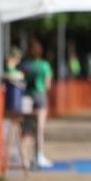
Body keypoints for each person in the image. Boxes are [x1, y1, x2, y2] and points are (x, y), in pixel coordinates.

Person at [21, 37, 54, 168]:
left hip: (27, 97)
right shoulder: (44, 65)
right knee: (39, 128)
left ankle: (23, 157)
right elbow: (47, 84)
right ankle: (39, 156)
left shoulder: (24, 65)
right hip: (40, 96)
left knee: (27, 128)